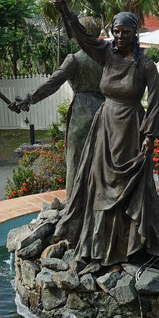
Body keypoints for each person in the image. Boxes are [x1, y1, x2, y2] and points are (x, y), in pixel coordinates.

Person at [51, 2, 159, 266]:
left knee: (131, 185)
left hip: (131, 127)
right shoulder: (106, 54)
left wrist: (150, 135)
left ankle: (132, 245)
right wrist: (67, 14)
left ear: (134, 33)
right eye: (115, 31)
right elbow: (83, 38)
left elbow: (157, 99)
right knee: (99, 183)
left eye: (124, 32)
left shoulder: (144, 64)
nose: (119, 37)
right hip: (105, 126)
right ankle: (97, 245)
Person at [8, 21, 104, 199]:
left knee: (76, 159)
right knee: (103, 158)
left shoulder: (75, 59)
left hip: (82, 113)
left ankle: (75, 203)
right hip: (106, 111)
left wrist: (26, 100)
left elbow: (51, 84)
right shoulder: (106, 57)